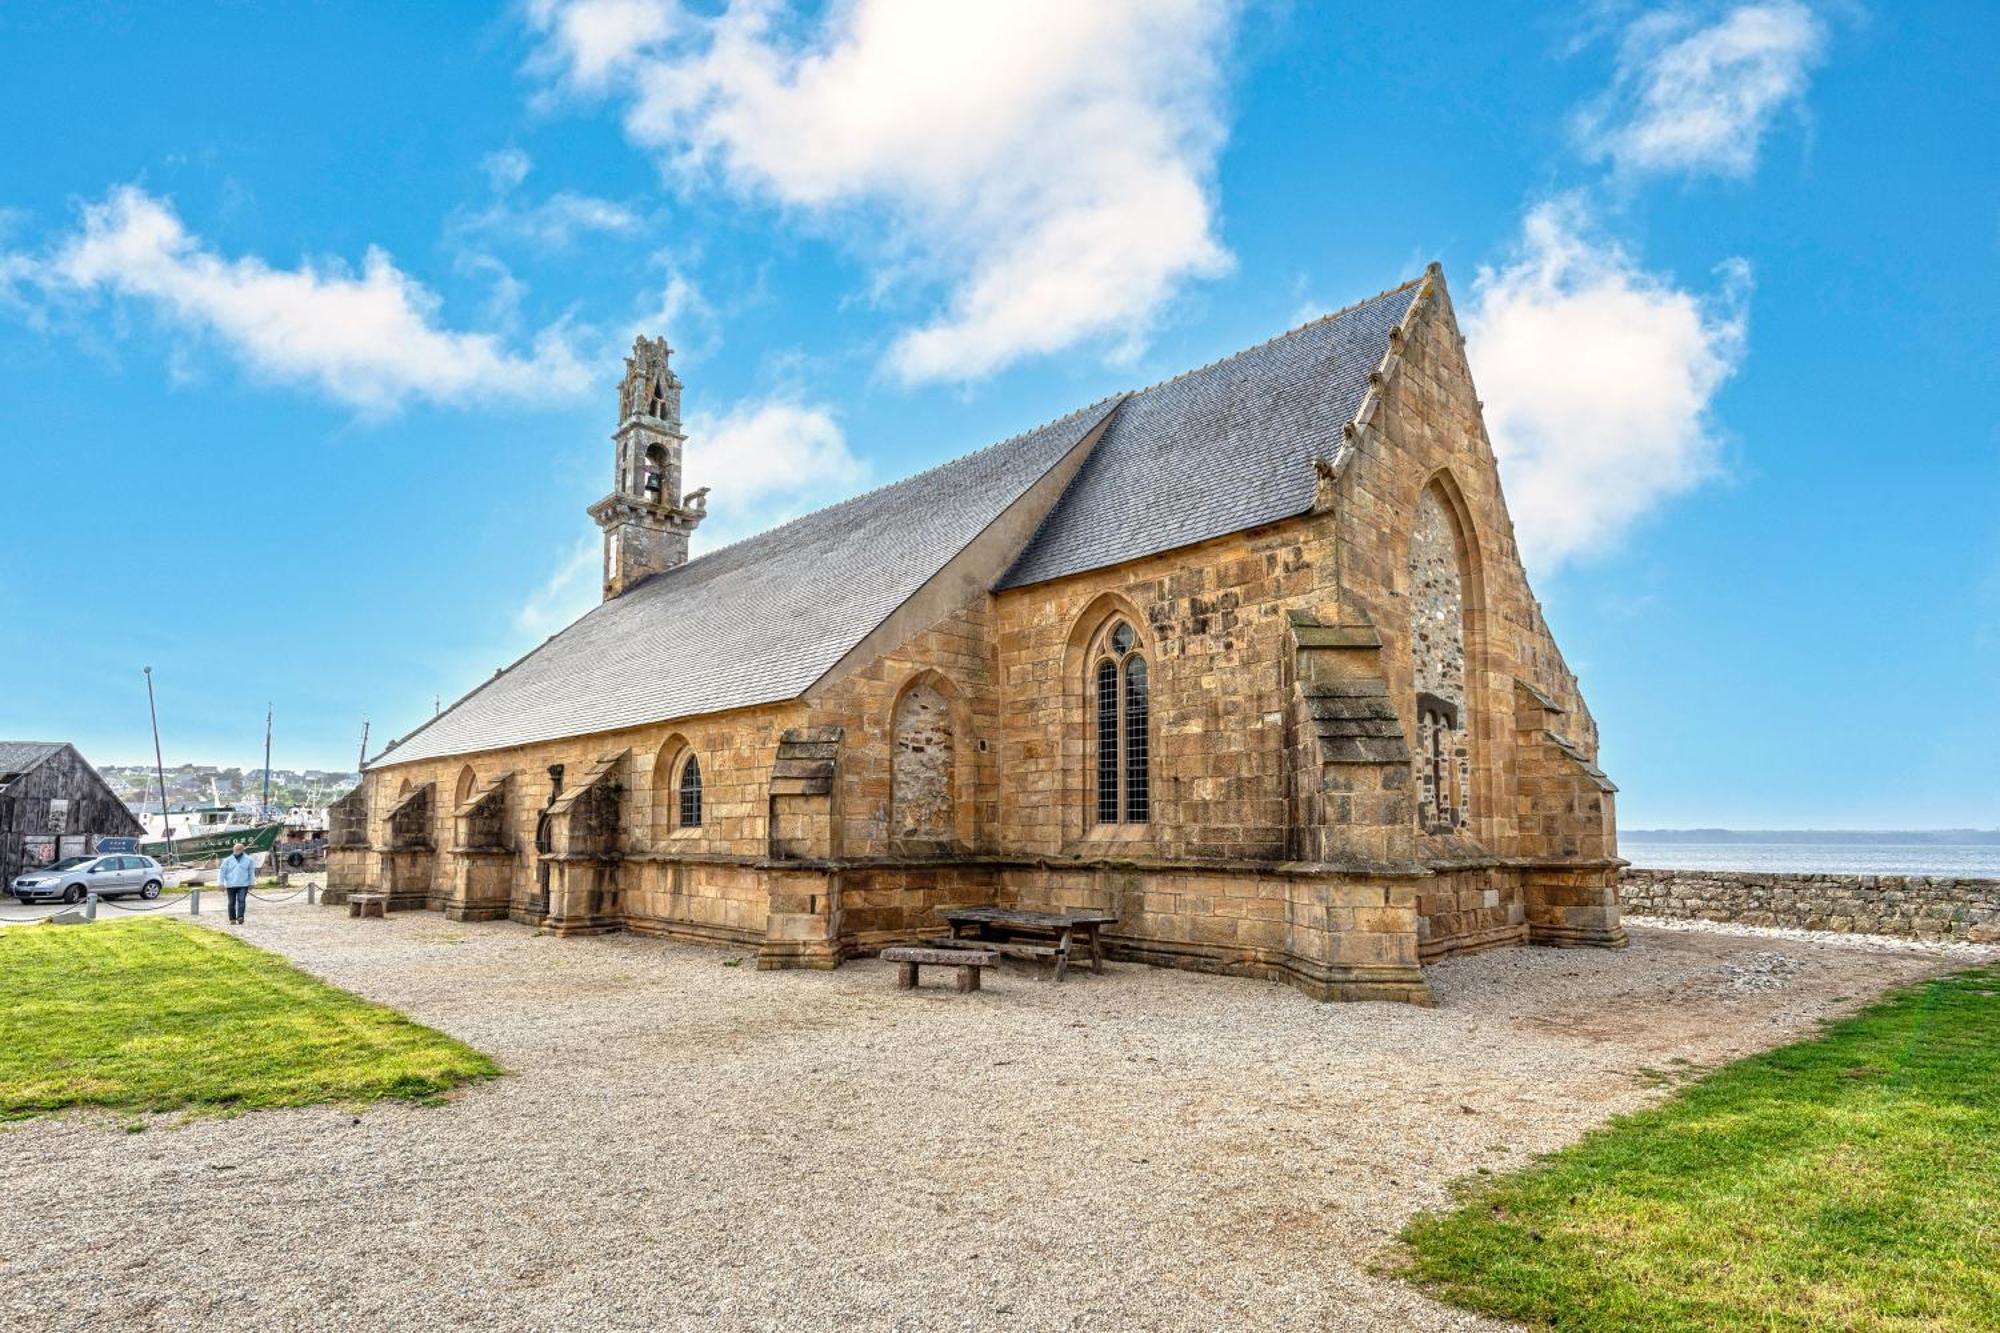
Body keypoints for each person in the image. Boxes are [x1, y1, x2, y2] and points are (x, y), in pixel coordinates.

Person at [219, 841, 258, 925]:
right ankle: (232, 919)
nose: (237, 850)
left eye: (239, 849)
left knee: (241, 900)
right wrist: (221, 883)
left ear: (243, 850)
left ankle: (240, 917)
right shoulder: (227, 860)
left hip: (243, 884)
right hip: (230, 884)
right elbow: (222, 872)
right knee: (231, 902)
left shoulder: (249, 859)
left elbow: (251, 872)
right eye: (236, 849)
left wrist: (252, 883)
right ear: (233, 849)